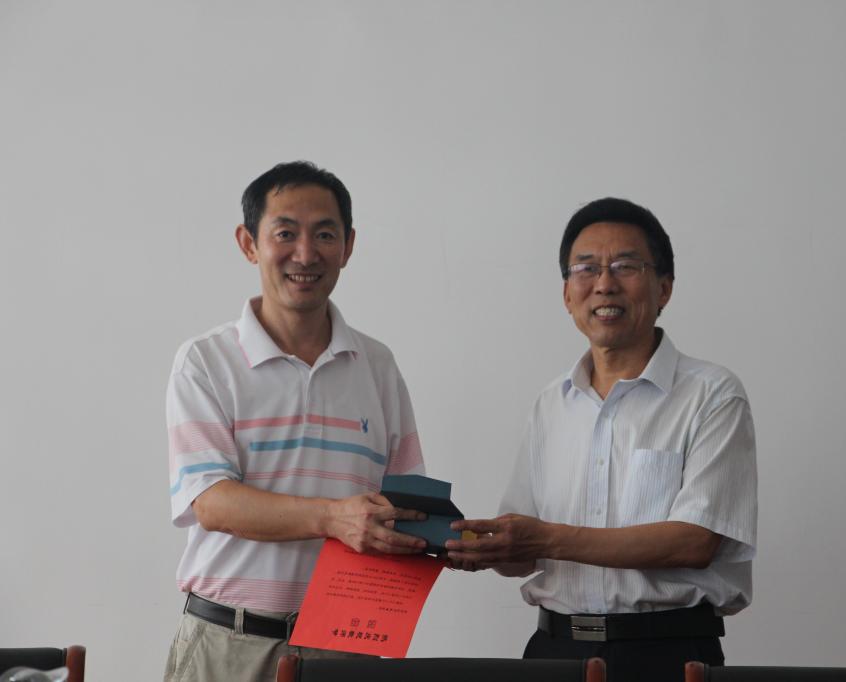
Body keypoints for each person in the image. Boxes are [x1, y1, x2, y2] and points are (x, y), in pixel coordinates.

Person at [446, 198, 757, 681]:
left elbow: (694, 542)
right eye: (586, 268)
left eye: (626, 266)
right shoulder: (551, 403)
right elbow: (525, 552)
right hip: (554, 651)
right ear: (567, 294)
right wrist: (480, 547)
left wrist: (546, 537)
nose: (604, 284)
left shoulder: (712, 394)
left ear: (664, 288)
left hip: (667, 654)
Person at [164, 161, 428, 682]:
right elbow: (211, 502)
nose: (305, 255)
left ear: (348, 247)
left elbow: (406, 504)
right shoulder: (205, 362)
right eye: (285, 233)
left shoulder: (377, 366)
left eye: (325, 234)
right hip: (228, 646)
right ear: (249, 243)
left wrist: (451, 540)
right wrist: (332, 518)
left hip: (343, 649)